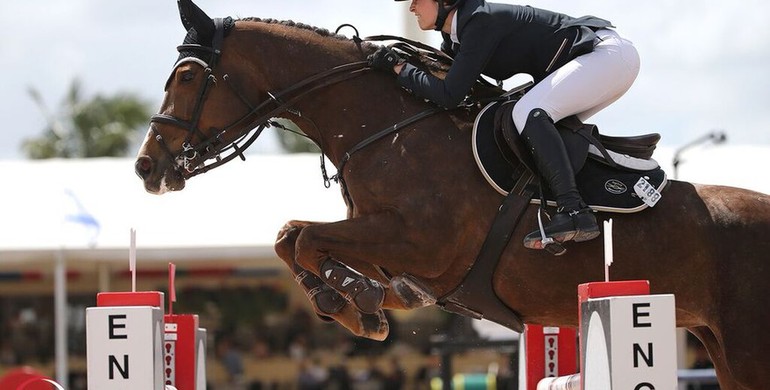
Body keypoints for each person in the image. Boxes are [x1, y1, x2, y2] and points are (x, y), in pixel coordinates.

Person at [368, 0, 640, 251]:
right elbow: (449, 87)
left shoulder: (478, 21)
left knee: (528, 113)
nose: (412, 7)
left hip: (605, 56)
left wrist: (399, 69)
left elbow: (449, 95)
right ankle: (586, 199)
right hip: (603, 62)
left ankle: (573, 211)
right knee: (536, 125)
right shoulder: (457, 37)